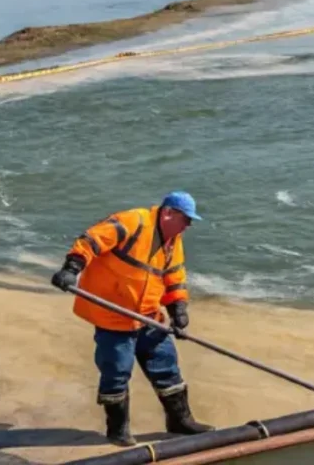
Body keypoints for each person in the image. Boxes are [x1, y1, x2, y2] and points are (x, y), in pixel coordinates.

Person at [50, 191, 214, 446]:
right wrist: (71, 269)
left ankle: (180, 422)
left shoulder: (173, 239)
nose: (189, 226)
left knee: (167, 368)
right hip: (114, 317)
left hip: (149, 317)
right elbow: (91, 241)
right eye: (186, 219)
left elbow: (174, 276)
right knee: (116, 372)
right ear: (168, 213)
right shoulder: (132, 222)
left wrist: (178, 310)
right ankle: (117, 430)